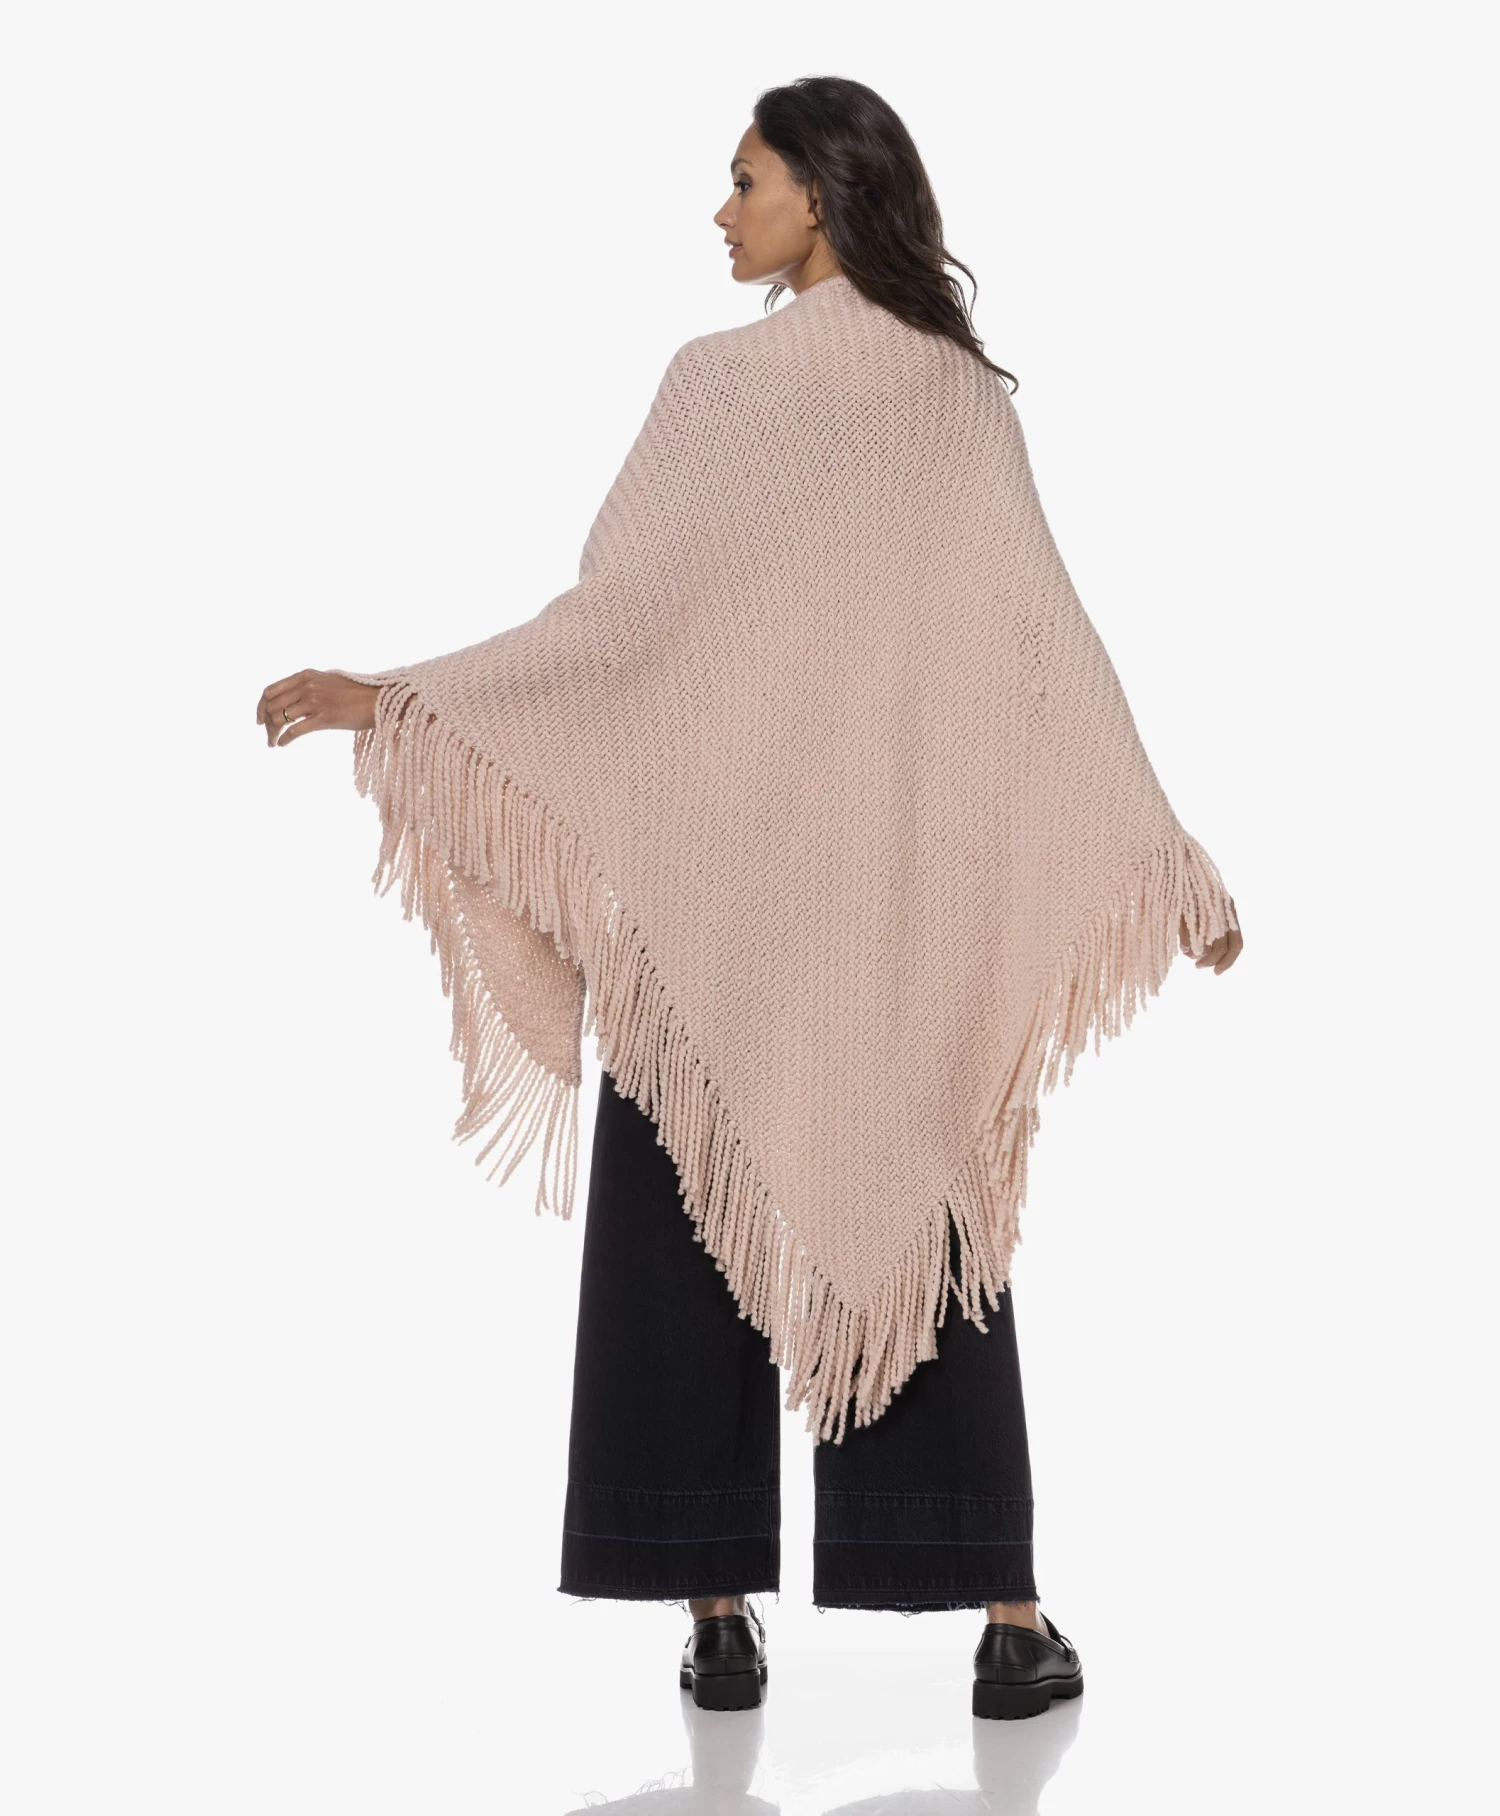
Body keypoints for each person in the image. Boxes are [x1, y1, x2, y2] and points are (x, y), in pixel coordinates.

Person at [256, 77, 1242, 1719]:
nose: (721, 213)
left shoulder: (728, 390)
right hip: (875, 920)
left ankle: (713, 1609)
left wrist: (402, 699)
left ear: (825, 195)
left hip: (714, 903)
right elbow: (1047, 654)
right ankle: (1009, 1624)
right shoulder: (951, 401)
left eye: (745, 180)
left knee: (701, 1238)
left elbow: (614, 637)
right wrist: (1159, 850)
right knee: (928, 1231)